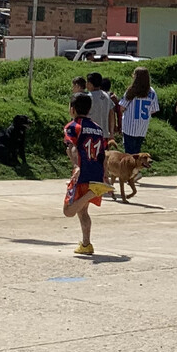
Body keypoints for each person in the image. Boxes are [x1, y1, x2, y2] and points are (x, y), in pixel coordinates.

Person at [62, 91, 108, 255]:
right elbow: (103, 154)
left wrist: (76, 166)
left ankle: (89, 194)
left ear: (72, 109)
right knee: (83, 211)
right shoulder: (98, 128)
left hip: (82, 173)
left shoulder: (72, 127)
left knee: (68, 211)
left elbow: (72, 147)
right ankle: (86, 244)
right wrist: (104, 174)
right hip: (96, 173)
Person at [121, 67, 160, 159]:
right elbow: (154, 109)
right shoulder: (151, 92)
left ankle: (130, 171)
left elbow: (122, 107)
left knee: (129, 154)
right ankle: (136, 171)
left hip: (129, 126)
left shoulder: (131, 90)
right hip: (142, 127)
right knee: (137, 152)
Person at [87, 72, 118, 136]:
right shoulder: (106, 96)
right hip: (104, 134)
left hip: (91, 134)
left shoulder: (88, 97)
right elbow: (111, 114)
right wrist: (111, 133)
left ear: (90, 84)